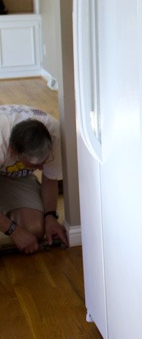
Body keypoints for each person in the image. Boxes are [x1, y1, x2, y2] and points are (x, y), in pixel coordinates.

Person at [0, 104, 69, 254]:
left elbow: (50, 179)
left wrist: (50, 217)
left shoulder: (54, 134)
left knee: (34, 230)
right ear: (13, 151)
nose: (41, 169)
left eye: (44, 161)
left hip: (11, 175)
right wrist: (13, 231)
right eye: (35, 165)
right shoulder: (1, 140)